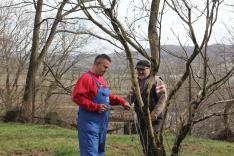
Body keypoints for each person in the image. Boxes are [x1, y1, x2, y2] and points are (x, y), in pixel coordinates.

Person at [72, 54, 131, 156]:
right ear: (97, 64)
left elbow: (107, 97)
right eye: (105, 67)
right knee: (90, 153)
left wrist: (122, 102)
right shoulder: (86, 78)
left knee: (100, 153)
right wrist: (95, 107)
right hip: (89, 125)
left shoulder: (101, 80)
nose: (106, 70)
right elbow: (77, 97)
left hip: (101, 126)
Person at [129, 60, 167, 156]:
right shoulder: (136, 82)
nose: (140, 72)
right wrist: (125, 103)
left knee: (152, 142)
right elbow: (130, 97)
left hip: (154, 117)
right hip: (141, 116)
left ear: (149, 69)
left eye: (143, 69)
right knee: (144, 142)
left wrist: (155, 113)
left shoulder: (156, 80)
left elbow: (163, 98)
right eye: (138, 69)